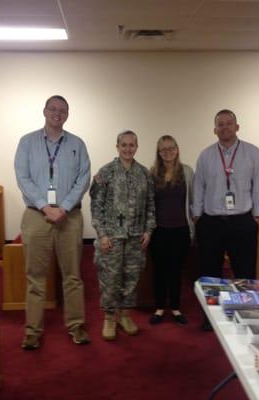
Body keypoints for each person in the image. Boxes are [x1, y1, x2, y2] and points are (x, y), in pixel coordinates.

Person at [14, 95, 91, 350]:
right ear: (44, 111)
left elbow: (83, 178)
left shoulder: (77, 144)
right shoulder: (27, 142)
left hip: (69, 218)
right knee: (35, 277)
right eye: (53, 109)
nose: (57, 113)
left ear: (67, 115)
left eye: (62, 110)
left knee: (72, 276)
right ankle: (33, 330)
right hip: (36, 216)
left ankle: (76, 324)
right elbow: (22, 177)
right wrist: (45, 207)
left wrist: (64, 207)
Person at [193, 109, 259, 330]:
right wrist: (197, 214)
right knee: (210, 273)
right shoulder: (206, 155)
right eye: (220, 124)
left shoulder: (253, 153)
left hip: (242, 221)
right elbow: (199, 186)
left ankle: (246, 315)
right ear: (214, 129)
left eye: (229, 123)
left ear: (237, 127)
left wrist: (258, 215)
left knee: (245, 271)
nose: (225, 128)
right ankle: (211, 318)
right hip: (211, 222)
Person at [90, 130, 156, 341]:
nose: (128, 149)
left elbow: (151, 205)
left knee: (132, 278)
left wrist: (148, 229)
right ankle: (110, 318)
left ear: (137, 147)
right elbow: (96, 206)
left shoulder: (145, 174)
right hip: (112, 237)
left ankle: (125, 315)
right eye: (124, 145)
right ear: (117, 147)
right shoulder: (106, 172)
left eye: (132, 145)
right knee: (110, 278)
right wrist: (101, 234)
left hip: (136, 236)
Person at [148, 135, 194, 326]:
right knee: (159, 270)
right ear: (158, 153)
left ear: (177, 149)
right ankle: (159, 308)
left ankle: (175, 307)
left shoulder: (187, 171)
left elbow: (194, 200)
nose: (167, 152)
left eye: (171, 148)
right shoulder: (151, 173)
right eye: (163, 149)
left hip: (181, 230)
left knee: (176, 270)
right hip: (158, 231)